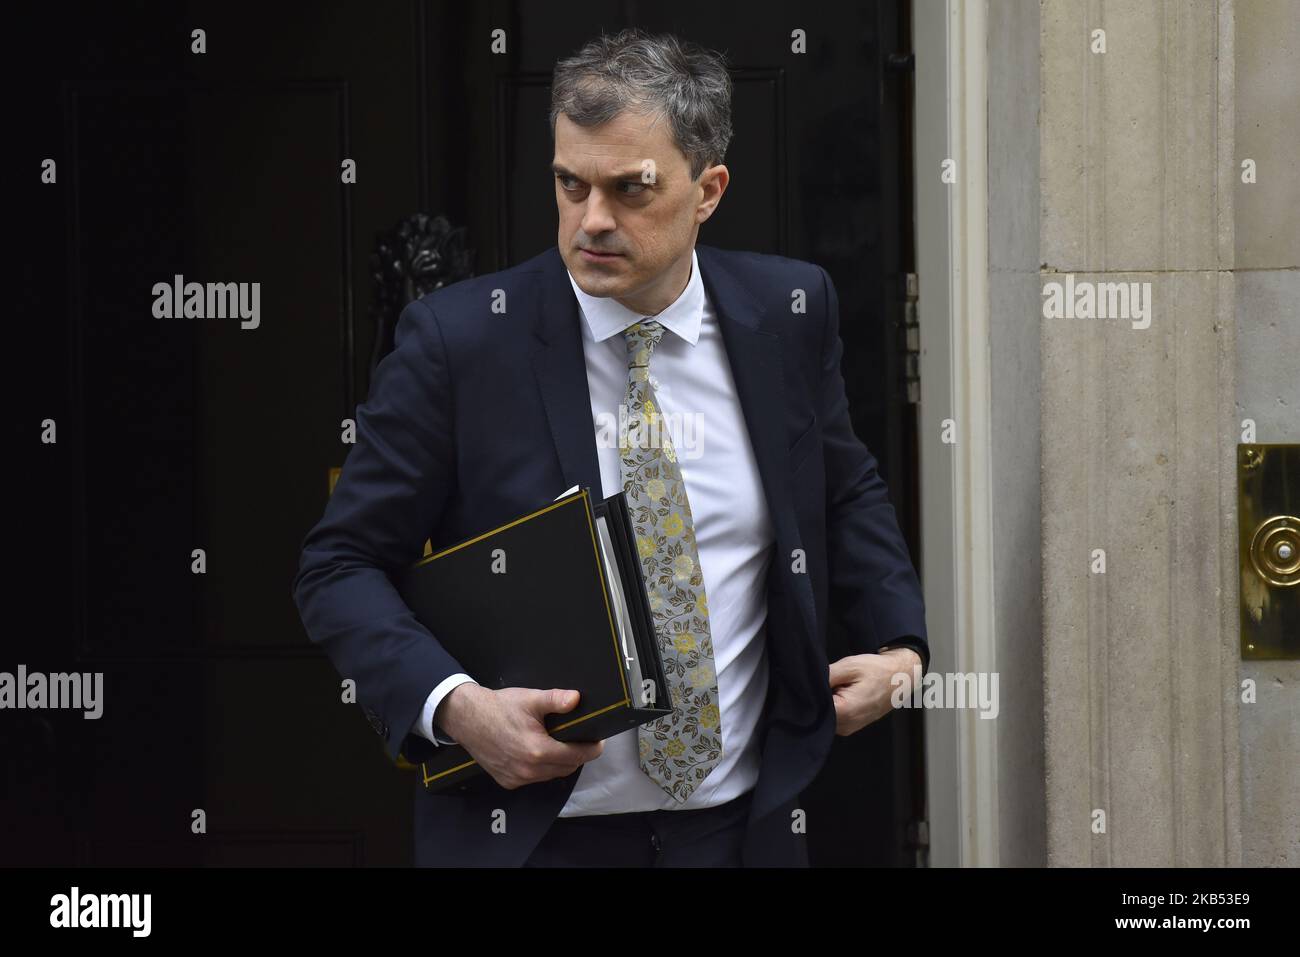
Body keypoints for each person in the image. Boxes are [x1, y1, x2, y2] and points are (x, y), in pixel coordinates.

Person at [292, 27, 928, 868]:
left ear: (709, 190)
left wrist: (901, 648)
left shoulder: (788, 312)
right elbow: (338, 567)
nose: (592, 220)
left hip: (742, 830)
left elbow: (847, 490)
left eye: (631, 190)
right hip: (534, 837)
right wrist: (456, 707)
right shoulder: (461, 344)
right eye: (570, 184)